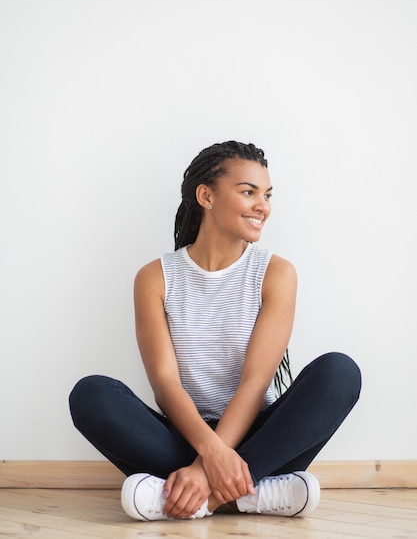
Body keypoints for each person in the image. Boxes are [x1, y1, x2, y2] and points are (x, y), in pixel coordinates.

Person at [69, 140, 361, 522]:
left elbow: (255, 384)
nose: (263, 206)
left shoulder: (276, 273)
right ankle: (256, 494)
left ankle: (186, 495)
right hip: (185, 438)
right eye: (248, 192)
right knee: (91, 395)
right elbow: (165, 382)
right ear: (206, 196)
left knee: (340, 372)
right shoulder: (155, 277)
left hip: (261, 437)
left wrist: (210, 466)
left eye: (267, 195)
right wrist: (210, 453)